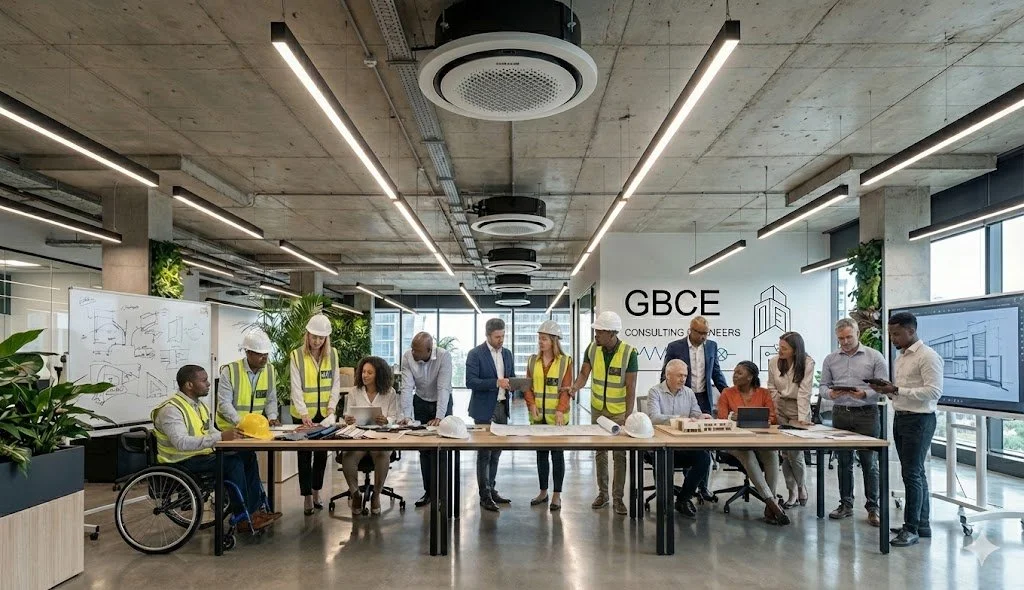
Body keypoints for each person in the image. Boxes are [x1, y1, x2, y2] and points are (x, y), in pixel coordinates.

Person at [152, 365, 281, 531]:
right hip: (181, 460)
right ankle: (242, 516)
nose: (208, 384)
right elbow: (181, 443)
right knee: (232, 463)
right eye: (204, 380)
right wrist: (220, 437)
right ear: (189, 385)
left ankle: (254, 511)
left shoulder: (200, 406)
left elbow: (211, 432)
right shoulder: (171, 410)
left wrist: (235, 437)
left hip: (201, 455)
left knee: (247, 455)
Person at [874, 312, 943, 548]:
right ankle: (922, 524)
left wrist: (898, 390)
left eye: (896, 334)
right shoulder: (901, 357)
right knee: (915, 472)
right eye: (891, 334)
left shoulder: (928, 356)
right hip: (901, 416)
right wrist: (890, 391)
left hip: (920, 420)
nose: (892, 338)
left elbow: (934, 392)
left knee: (911, 474)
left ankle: (911, 528)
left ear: (911, 331)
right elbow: (901, 389)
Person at [820, 317, 888, 527]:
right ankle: (846, 504)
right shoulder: (831, 359)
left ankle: (873, 508)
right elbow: (822, 387)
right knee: (844, 462)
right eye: (841, 338)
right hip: (840, 413)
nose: (845, 341)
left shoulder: (874, 357)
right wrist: (831, 393)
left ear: (857, 334)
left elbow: (883, 388)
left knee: (869, 462)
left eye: (849, 337)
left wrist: (865, 394)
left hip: (866, 413)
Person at [569, 310, 638, 516]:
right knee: (600, 453)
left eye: (598, 332)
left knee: (619, 456)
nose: (595, 336)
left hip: (618, 413)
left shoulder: (629, 353)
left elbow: (631, 387)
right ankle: (603, 494)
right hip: (598, 410)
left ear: (611, 333)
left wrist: (628, 416)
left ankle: (618, 499)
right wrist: (574, 387)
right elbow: (584, 374)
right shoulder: (592, 349)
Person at [659, 315, 729, 500]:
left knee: (704, 445)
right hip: (683, 396)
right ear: (691, 330)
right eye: (700, 333)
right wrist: (665, 395)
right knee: (684, 442)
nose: (704, 337)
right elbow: (665, 374)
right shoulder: (676, 346)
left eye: (707, 333)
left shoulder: (712, 346)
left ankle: (702, 487)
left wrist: (729, 395)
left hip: (703, 399)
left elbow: (716, 373)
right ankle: (688, 486)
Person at [717, 360, 789, 526]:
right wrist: (731, 418)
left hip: (760, 439)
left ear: (750, 377)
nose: (734, 376)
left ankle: (769, 508)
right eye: (734, 372)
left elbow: (772, 418)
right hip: (734, 442)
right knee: (747, 453)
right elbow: (721, 419)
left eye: (739, 373)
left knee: (771, 454)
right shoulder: (727, 393)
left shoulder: (763, 393)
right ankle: (772, 503)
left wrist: (748, 419)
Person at [645, 359, 713, 517]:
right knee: (662, 458)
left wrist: (702, 417)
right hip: (660, 445)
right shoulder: (655, 392)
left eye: (685, 376)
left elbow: (695, 414)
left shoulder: (688, 392)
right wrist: (680, 418)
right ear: (668, 375)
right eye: (679, 375)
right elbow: (654, 418)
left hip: (683, 445)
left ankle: (683, 498)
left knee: (704, 458)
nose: (683, 379)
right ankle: (664, 499)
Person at [290, 314, 342, 516]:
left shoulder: (333, 355)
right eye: (314, 337)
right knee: (304, 455)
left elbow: (335, 384)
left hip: (325, 415)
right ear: (307, 335)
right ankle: (306, 497)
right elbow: (295, 387)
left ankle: (317, 491)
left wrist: (331, 408)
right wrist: (303, 412)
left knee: (321, 455)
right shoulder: (296, 356)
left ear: (326, 339)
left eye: (321, 338)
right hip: (303, 415)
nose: (317, 341)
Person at [399, 332, 454, 508]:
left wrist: (440, 416)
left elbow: (443, 387)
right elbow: (407, 387)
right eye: (412, 348)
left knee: (442, 448)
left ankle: (442, 494)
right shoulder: (408, 356)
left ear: (429, 350)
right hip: (421, 401)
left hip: (442, 402)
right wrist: (406, 415)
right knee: (424, 450)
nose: (413, 353)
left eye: (417, 350)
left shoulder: (444, 356)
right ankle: (429, 492)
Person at [524, 320, 573, 512]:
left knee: (557, 456)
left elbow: (567, 389)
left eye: (544, 339)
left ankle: (557, 495)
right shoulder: (532, 361)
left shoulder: (565, 362)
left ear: (554, 341)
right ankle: (543, 492)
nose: (540, 342)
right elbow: (527, 386)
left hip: (557, 419)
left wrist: (561, 409)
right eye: (539, 339)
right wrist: (531, 404)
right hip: (538, 418)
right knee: (541, 455)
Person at [467, 317, 516, 512]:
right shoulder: (475, 354)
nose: (501, 340)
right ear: (488, 335)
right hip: (483, 409)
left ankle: (492, 488)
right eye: (497, 337)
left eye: (503, 336)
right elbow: (470, 381)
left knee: (496, 452)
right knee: (484, 453)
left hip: (502, 407)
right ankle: (484, 495)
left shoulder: (507, 354)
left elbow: (510, 376)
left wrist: (514, 384)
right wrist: (496, 382)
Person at [342, 356, 400, 516]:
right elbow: (347, 414)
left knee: (382, 455)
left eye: (369, 372)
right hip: (359, 435)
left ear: (379, 375)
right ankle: (355, 494)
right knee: (348, 458)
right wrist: (348, 418)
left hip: (380, 436)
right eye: (363, 371)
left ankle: (376, 494)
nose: (364, 375)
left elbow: (395, 417)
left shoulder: (390, 393)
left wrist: (386, 420)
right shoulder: (354, 392)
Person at [767, 331, 815, 508]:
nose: (780, 351)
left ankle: (801, 487)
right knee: (785, 454)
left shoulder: (807, 363)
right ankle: (792, 491)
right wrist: (774, 409)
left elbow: (804, 392)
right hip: (780, 406)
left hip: (798, 408)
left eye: (784, 348)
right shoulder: (774, 362)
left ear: (795, 350)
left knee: (795, 454)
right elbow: (771, 386)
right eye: (779, 347)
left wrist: (802, 418)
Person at [216, 328, 278, 431]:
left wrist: (272, 417)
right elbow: (224, 403)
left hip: (253, 429)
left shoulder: (270, 370)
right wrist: (242, 423)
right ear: (248, 352)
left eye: (266, 354)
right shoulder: (230, 371)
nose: (264, 358)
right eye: (260, 354)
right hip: (229, 429)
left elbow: (271, 400)